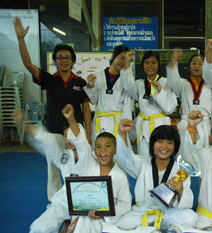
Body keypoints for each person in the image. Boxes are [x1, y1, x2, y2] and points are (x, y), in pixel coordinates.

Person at [14, 17, 92, 200]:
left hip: (75, 131)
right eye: (60, 58)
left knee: (81, 166)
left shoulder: (80, 82)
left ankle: (80, 198)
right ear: (55, 61)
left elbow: (86, 109)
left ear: (73, 61)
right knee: (54, 167)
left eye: (67, 58)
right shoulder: (49, 80)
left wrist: (88, 134)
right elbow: (28, 64)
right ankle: (55, 201)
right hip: (54, 131)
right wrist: (20, 39)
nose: (64, 61)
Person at [12, 108, 86, 233]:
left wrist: (71, 118)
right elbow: (47, 141)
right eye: (66, 136)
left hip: (87, 201)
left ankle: (69, 223)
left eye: (73, 135)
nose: (69, 139)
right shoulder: (65, 157)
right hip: (65, 199)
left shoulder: (90, 155)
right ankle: (67, 221)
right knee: (39, 228)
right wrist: (25, 124)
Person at [115, 120, 197, 231]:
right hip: (143, 212)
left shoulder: (180, 170)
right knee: (122, 223)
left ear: (175, 146)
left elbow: (187, 203)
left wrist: (181, 191)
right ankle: (162, 228)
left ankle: (148, 229)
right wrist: (122, 134)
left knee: (190, 217)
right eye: (159, 141)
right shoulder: (143, 164)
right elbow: (125, 158)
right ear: (153, 144)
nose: (164, 146)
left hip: (166, 214)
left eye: (169, 142)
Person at [62, 104, 132, 233]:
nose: (103, 150)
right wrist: (71, 119)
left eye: (107, 146)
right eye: (98, 147)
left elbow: (125, 204)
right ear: (95, 150)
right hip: (86, 215)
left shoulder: (120, 175)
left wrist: (104, 213)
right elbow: (82, 143)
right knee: (83, 222)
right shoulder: (90, 163)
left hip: (108, 219)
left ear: (115, 150)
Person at [120, 50, 177, 158]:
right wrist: (127, 62)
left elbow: (169, 108)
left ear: (158, 64)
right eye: (146, 63)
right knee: (144, 159)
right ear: (142, 66)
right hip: (144, 126)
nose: (150, 66)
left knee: (162, 158)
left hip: (161, 125)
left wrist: (160, 91)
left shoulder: (166, 83)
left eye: (153, 62)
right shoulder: (139, 84)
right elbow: (127, 85)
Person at [166, 48, 212, 148]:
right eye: (194, 63)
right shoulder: (182, 84)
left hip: (205, 125)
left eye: (200, 64)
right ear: (189, 67)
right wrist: (174, 61)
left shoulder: (210, 86)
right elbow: (173, 81)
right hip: (187, 123)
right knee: (186, 155)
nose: (197, 66)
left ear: (205, 67)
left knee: (205, 157)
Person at [84, 45, 133, 148]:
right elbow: (93, 100)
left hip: (117, 121)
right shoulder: (98, 75)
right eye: (122, 58)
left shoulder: (126, 78)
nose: (123, 62)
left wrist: (127, 122)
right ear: (114, 56)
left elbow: (129, 95)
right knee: (99, 152)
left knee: (119, 152)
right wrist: (91, 86)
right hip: (100, 121)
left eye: (127, 60)